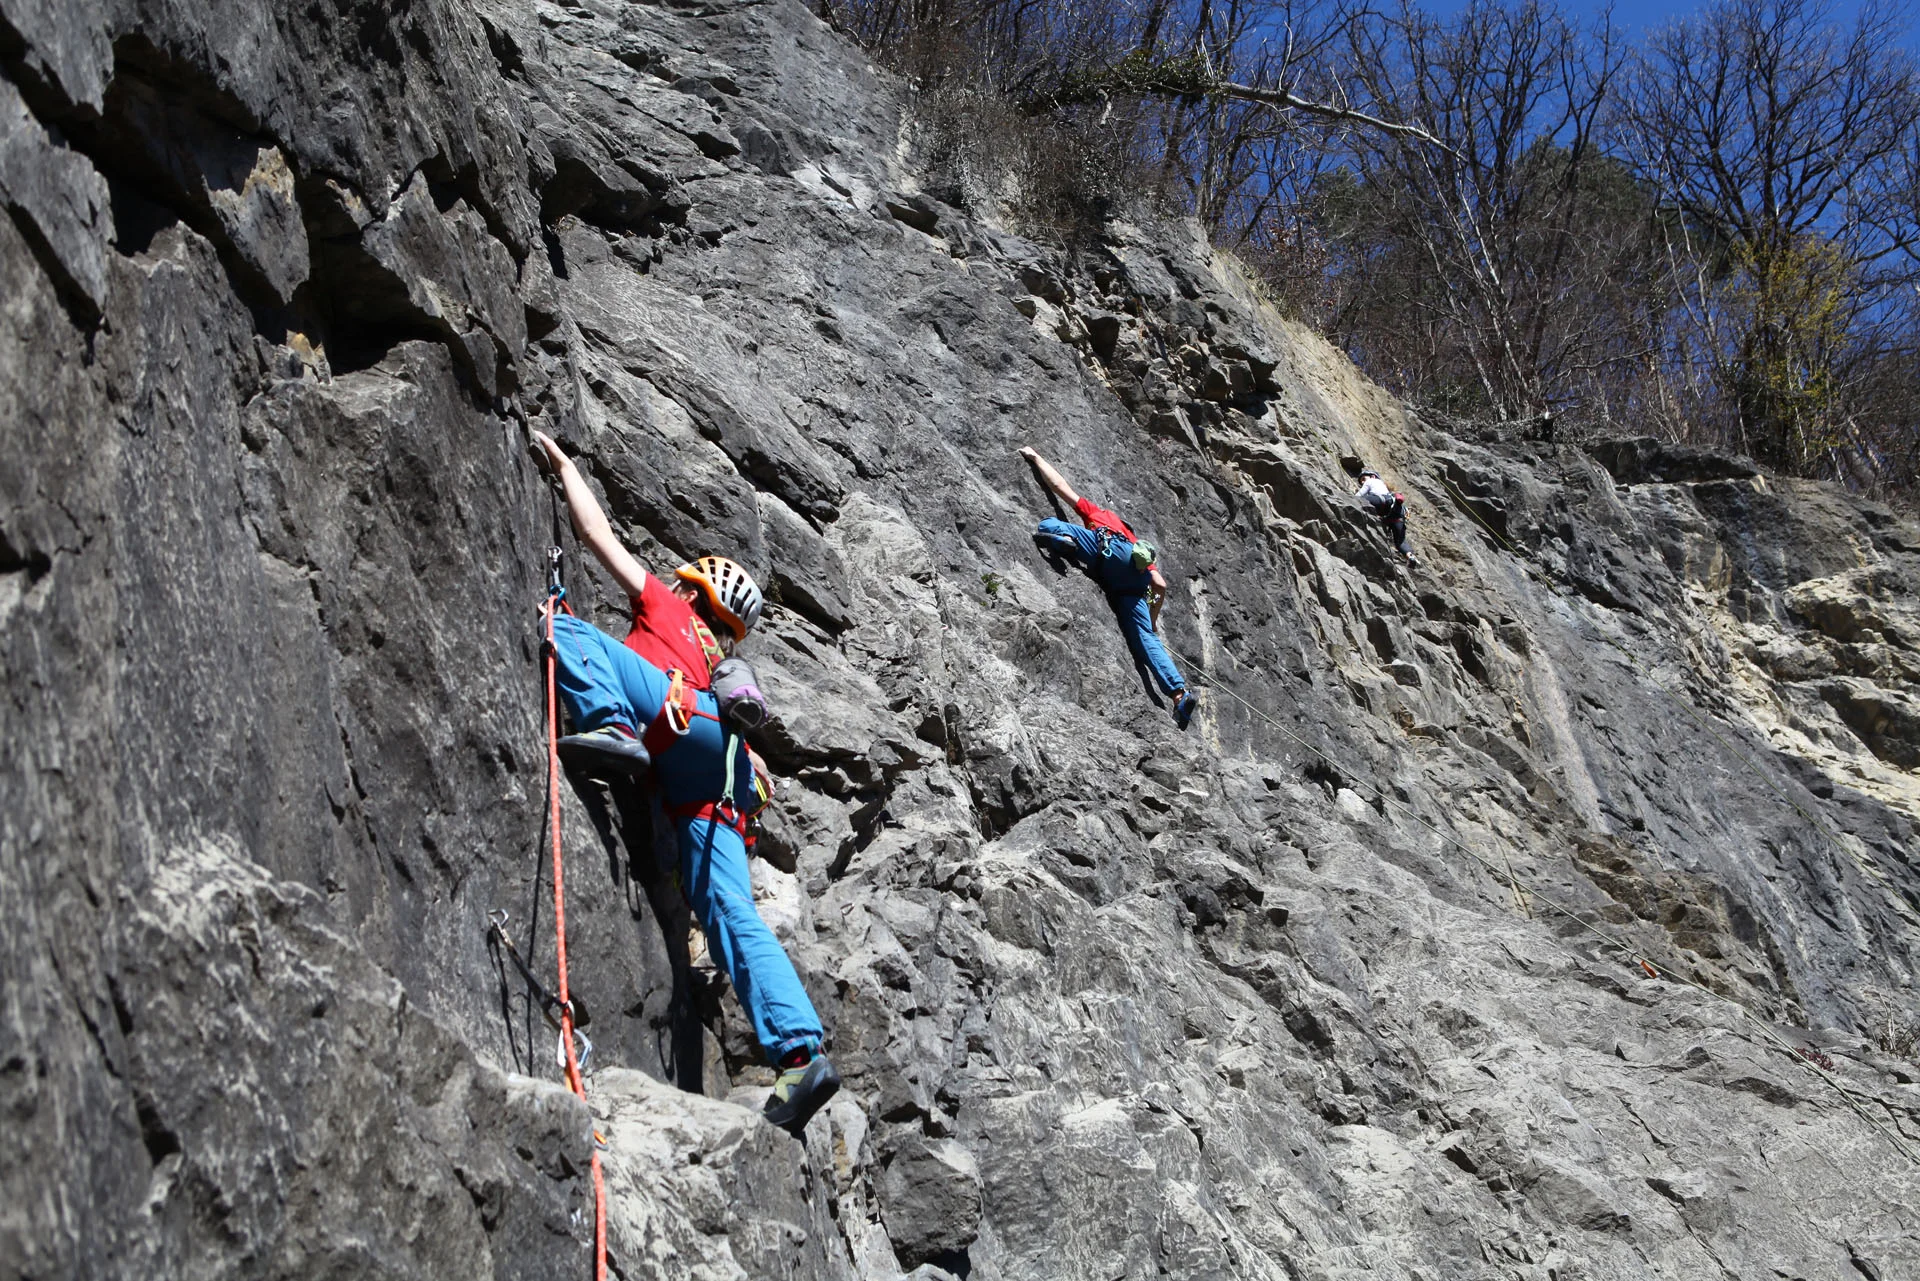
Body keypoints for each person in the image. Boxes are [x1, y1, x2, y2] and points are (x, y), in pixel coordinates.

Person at [531, 431, 839, 1135]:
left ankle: (609, 723)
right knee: (732, 912)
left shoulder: (669, 609)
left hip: (675, 718)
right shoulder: (715, 654)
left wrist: (567, 466)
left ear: (691, 590)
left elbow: (597, 535)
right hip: (718, 777)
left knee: (565, 626)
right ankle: (801, 1053)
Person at [1019, 446, 1199, 729]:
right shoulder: (1137, 547)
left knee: (1048, 523)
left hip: (1107, 551)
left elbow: (1060, 486)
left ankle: (1067, 539)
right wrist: (1151, 620)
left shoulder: (1101, 516)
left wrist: (1035, 456)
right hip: (1134, 584)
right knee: (1145, 639)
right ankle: (1178, 695)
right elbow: (1159, 584)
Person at [1355, 467, 1416, 566]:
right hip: (1397, 515)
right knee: (1400, 542)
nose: (1362, 482)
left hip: (1382, 503)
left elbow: (1359, 495)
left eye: (1363, 479)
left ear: (1372, 476)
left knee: (1362, 500)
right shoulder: (1384, 487)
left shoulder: (1371, 480)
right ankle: (1410, 556)